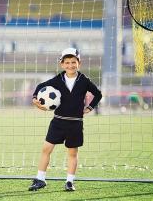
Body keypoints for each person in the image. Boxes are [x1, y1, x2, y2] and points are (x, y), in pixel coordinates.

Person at [28, 47, 102, 192]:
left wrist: (90, 108)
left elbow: (98, 94)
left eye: (73, 62)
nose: (70, 65)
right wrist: (35, 98)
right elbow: (40, 86)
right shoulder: (58, 79)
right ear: (61, 64)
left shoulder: (84, 80)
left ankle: (69, 182)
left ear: (79, 63)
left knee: (72, 153)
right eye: (66, 62)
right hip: (58, 122)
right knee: (46, 149)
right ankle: (40, 179)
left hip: (75, 123)